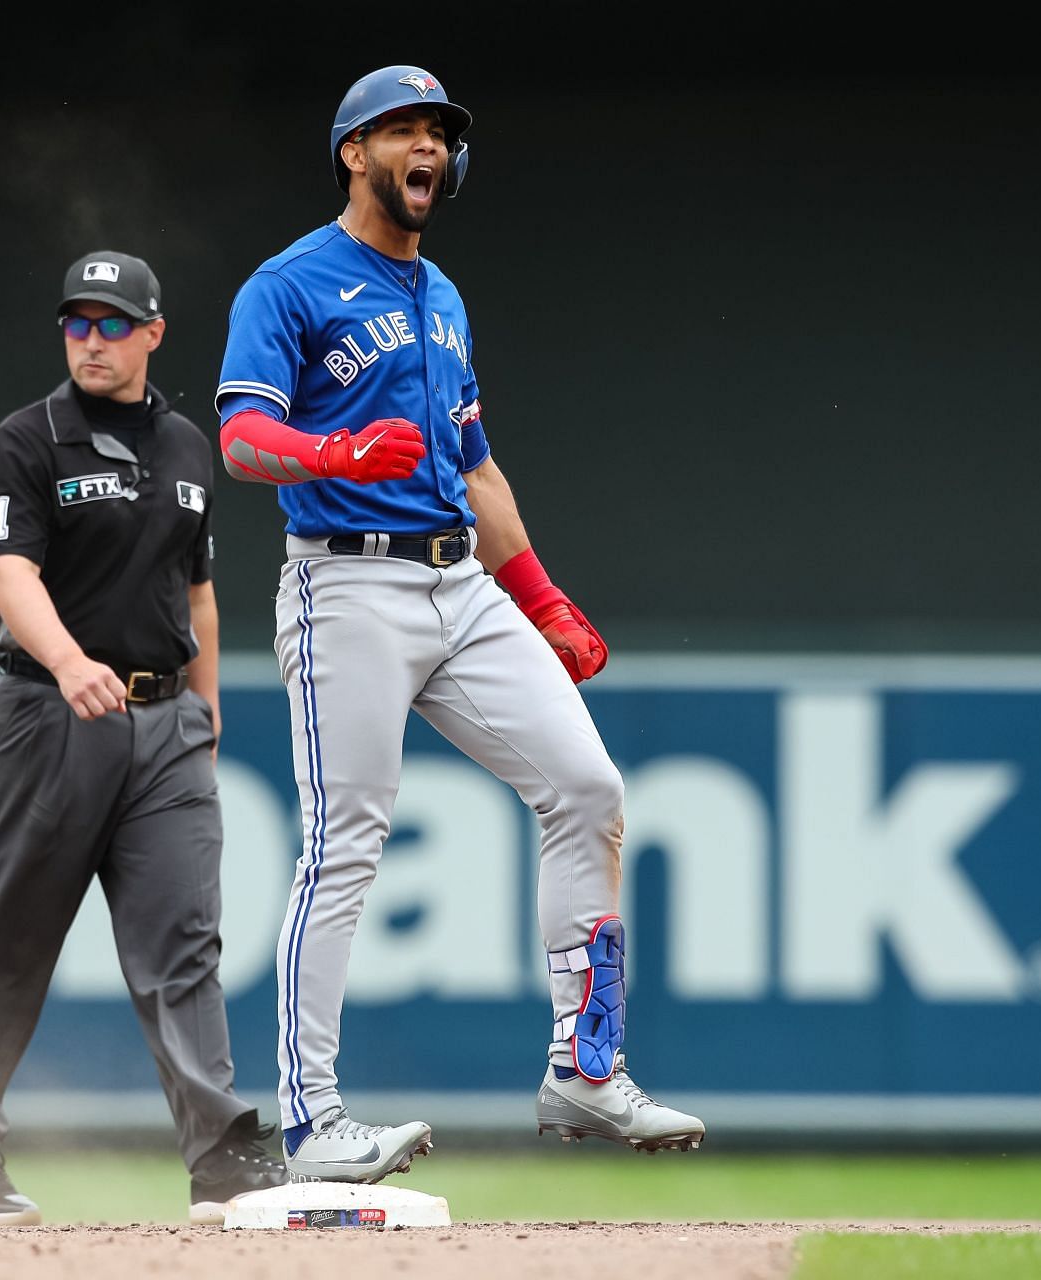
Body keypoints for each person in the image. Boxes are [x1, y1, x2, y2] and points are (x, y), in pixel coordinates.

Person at [214, 67, 706, 1183]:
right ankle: (311, 1121)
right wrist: (331, 453)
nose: (426, 144)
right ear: (353, 152)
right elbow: (243, 436)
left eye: (438, 130)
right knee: (347, 841)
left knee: (589, 788)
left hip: (458, 583)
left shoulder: (443, 296)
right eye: (401, 129)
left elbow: (475, 466)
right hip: (347, 584)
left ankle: (584, 1069)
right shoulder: (289, 284)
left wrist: (540, 597)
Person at [0, 249, 286, 1226]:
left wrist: (206, 710)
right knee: (11, 943)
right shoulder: (27, 439)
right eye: (78, 321)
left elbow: (198, 592)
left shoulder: (185, 447)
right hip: (49, 712)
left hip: (165, 725)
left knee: (185, 943)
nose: (92, 337)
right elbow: (7, 570)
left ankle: (223, 1161)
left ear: (152, 333)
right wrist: (68, 659)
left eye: (112, 321)